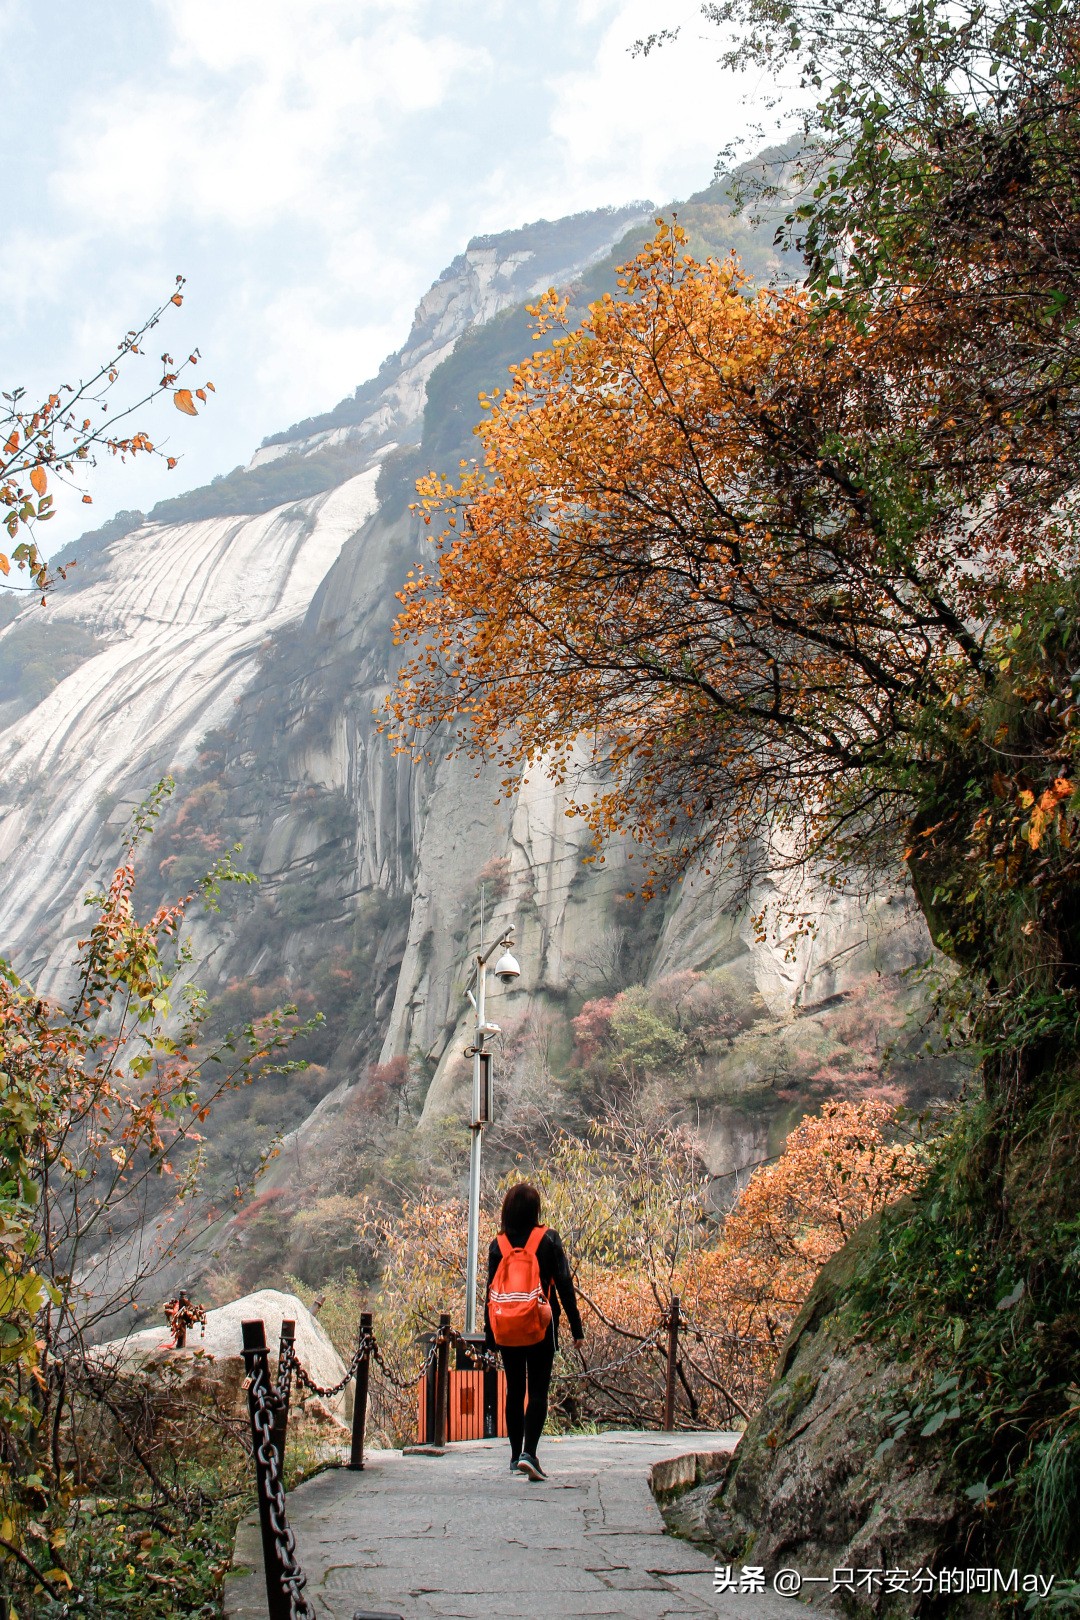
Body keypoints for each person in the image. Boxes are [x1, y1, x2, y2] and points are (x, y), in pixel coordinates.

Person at [484, 1181, 584, 1481]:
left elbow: (490, 1292)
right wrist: (577, 1329)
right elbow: (565, 1285)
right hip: (541, 1325)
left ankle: (515, 1457)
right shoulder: (548, 1239)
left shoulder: (497, 1244)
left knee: (514, 1390)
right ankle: (530, 1453)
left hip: (507, 1326)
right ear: (535, 1209)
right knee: (538, 1391)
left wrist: (490, 1336)